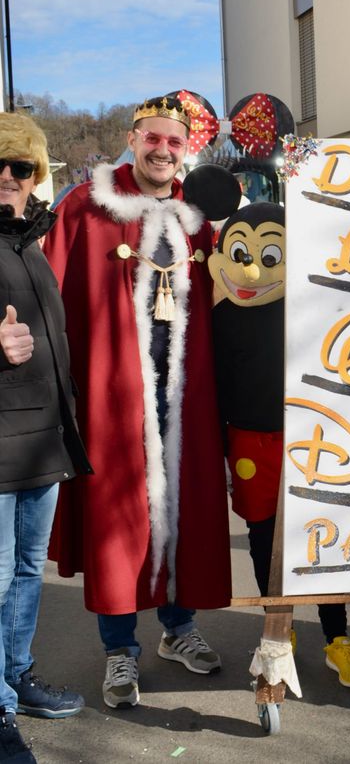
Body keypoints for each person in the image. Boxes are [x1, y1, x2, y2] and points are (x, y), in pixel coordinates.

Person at [42, 97, 232, 710]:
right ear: (133, 138)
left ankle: (179, 629)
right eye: (153, 139)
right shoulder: (86, 206)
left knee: (185, 504)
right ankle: (120, 649)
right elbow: (49, 293)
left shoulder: (198, 216)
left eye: (175, 143)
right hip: (113, 393)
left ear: (186, 151)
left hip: (184, 391)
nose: (162, 151)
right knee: (116, 516)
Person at [209, 201, 350, 688]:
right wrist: (217, 447)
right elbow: (215, 383)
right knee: (263, 536)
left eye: (271, 254)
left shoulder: (315, 306)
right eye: (242, 253)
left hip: (312, 434)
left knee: (323, 532)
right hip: (248, 438)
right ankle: (278, 627)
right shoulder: (223, 316)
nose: (254, 267)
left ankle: (337, 637)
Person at [0, 114, 92, 763]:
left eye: (20, 167)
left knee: (27, 570)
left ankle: (16, 675)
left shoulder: (34, 242)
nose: (7, 177)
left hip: (42, 441)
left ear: (37, 176)